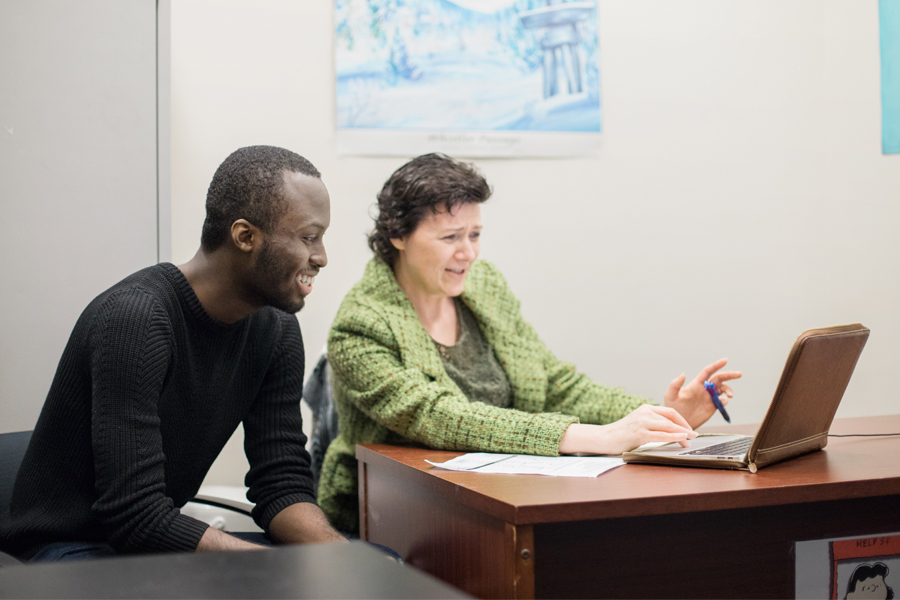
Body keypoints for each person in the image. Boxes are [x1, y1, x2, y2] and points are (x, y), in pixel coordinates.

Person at [317, 153, 742, 534]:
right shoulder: (360, 325)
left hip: (500, 495)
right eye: (450, 238)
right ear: (397, 235)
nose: (469, 254)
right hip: (394, 516)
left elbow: (555, 382)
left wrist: (658, 420)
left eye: (475, 235)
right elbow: (440, 418)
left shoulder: (483, 284)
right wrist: (597, 436)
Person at [1, 145, 344, 561]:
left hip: (147, 544)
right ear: (245, 237)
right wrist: (270, 569)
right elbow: (135, 517)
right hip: (68, 549)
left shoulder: (276, 329)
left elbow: (282, 482)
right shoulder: (136, 320)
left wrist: (340, 559)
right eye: (309, 237)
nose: (321, 257)